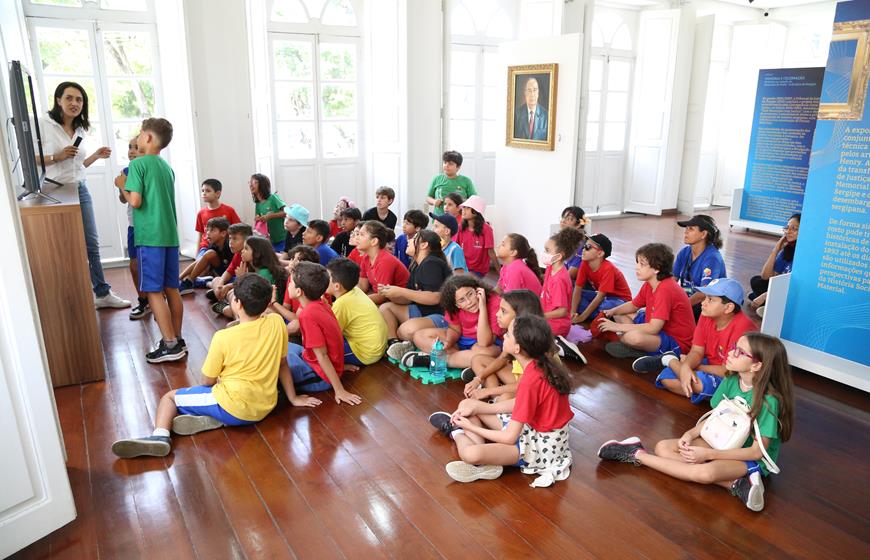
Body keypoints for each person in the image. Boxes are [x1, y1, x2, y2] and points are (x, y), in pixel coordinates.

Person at [110, 274, 321, 459]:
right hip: (266, 405)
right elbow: (282, 364)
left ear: (237, 303)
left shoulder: (223, 337)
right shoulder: (277, 323)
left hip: (236, 407)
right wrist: (293, 398)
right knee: (217, 395)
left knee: (169, 398)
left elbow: (207, 381)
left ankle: (160, 437)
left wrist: (219, 379)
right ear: (267, 303)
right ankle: (213, 419)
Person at [597, 332, 795, 512]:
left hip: (748, 458)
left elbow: (756, 452)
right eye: (734, 347)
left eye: (740, 352)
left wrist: (708, 455)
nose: (731, 353)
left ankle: (636, 454)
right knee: (663, 448)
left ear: (756, 366)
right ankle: (736, 483)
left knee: (705, 474)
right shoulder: (731, 380)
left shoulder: (768, 401)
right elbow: (716, 416)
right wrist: (690, 433)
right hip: (721, 440)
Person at [429, 315, 573, 486]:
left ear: (517, 348)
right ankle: (484, 461)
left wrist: (470, 427)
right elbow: (521, 404)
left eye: (508, 334)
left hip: (541, 448)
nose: (504, 335)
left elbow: (509, 437)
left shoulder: (531, 379)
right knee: (467, 405)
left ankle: (456, 432)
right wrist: (479, 407)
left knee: (470, 454)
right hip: (532, 431)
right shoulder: (539, 366)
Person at [40, 81, 129, 309]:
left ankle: (102, 293)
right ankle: (70, 295)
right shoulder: (44, 124)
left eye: (79, 100)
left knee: (92, 243)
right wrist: (56, 157)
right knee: (64, 246)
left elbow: (77, 166)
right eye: (69, 98)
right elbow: (31, 158)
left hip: (80, 188)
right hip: (55, 191)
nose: (74, 103)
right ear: (58, 100)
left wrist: (96, 156)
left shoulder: (80, 129)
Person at [117, 118, 185, 362]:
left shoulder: (138, 165)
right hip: (170, 236)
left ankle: (170, 345)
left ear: (147, 138)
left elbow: (135, 201)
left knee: (154, 291)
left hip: (150, 238)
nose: (137, 137)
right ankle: (177, 338)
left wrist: (122, 185)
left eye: (139, 133)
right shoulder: (166, 167)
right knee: (172, 289)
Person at [632, 278, 757, 403]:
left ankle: (671, 361)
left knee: (697, 383)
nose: (703, 303)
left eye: (710, 299)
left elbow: (728, 370)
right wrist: (687, 366)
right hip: (709, 364)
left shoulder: (743, 328)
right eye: (705, 297)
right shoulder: (706, 315)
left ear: (728, 307)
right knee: (666, 379)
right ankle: (673, 363)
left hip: (732, 374)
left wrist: (694, 368)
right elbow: (697, 350)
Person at [598, 243, 694, 360]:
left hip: (676, 341)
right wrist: (611, 312)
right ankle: (637, 346)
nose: (637, 267)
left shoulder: (665, 289)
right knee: (619, 313)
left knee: (633, 338)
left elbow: (654, 328)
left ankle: (642, 350)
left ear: (657, 268)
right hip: (658, 329)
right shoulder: (650, 283)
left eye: (642, 264)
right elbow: (634, 305)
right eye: (637, 263)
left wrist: (617, 327)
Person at [285, 261, 363, 406]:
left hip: (320, 377)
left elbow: (322, 355)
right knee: (281, 347)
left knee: (276, 363)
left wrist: (339, 390)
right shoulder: (321, 303)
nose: (288, 285)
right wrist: (339, 365)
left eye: (291, 282)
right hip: (313, 360)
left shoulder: (308, 315)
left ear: (299, 292)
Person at [400, 275, 502, 370]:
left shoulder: (495, 302)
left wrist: (483, 307)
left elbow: (484, 343)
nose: (469, 302)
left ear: (477, 290)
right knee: (419, 336)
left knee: (485, 353)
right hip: (462, 340)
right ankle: (464, 362)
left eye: (470, 294)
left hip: (485, 344)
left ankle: (438, 360)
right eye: (462, 300)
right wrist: (449, 341)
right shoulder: (452, 306)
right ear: (456, 304)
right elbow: (454, 329)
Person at [461, 289, 546, 403]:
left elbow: (524, 384)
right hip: (519, 378)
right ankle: (496, 399)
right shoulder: (514, 334)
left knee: (506, 398)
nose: (497, 314)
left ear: (520, 315)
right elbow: (502, 358)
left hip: (533, 389)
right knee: (477, 359)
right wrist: (478, 379)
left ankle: (497, 399)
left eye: (503, 311)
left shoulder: (533, 342)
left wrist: (487, 391)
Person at [380, 230, 453, 359]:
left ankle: (424, 343)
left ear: (424, 245)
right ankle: (394, 343)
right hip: (423, 311)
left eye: (413, 239)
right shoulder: (416, 265)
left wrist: (401, 291)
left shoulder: (432, 263)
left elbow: (435, 297)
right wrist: (390, 293)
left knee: (405, 330)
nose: (408, 241)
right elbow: (408, 299)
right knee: (386, 308)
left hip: (442, 316)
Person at [326, 258, 389, 367]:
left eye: (327, 278)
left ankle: (338, 367)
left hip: (366, 353)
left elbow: (330, 334)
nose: (323, 280)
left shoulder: (341, 304)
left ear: (337, 286)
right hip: (377, 346)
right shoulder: (355, 290)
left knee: (320, 352)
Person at [541, 228, 586, 361]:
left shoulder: (559, 280)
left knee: (529, 339)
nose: (544, 253)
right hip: (546, 318)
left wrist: (539, 315)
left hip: (556, 325)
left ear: (559, 256)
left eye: (547, 250)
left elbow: (562, 311)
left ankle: (560, 346)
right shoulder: (550, 267)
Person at [117, 135, 149, 320]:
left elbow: (138, 200)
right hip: (133, 226)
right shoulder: (125, 171)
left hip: (148, 226)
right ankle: (143, 301)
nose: (131, 151)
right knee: (134, 266)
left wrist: (123, 186)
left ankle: (157, 298)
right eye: (130, 147)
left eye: (136, 147)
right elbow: (124, 199)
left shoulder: (147, 170)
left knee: (150, 265)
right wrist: (122, 186)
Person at [673, 214, 727, 321]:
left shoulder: (712, 258)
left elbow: (704, 293)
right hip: (689, 300)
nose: (685, 232)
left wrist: (680, 307)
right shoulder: (684, 252)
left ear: (703, 234)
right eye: (686, 228)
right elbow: (672, 280)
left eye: (691, 229)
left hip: (709, 302)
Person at [570, 234, 633, 323]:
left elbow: (600, 297)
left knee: (605, 306)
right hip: (604, 297)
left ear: (600, 253)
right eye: (584, 246)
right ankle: (603, 315)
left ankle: (603, 314)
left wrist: (581, 318)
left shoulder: (608, 268)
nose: (583, 249)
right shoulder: (585, 263)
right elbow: (578, 288)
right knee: (570, 292)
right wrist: (572, 312)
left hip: (620, 300)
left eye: (588, 247)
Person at [749, 213, 800, 314]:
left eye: (794, 229)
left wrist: (765, 295)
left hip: (793, 292)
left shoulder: (805, 255)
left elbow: (794, 286)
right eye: (787, 227)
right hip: (781, 288)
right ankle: (768, 304)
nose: (788, 231)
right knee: (757, 281)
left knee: (759, 292)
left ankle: (768, 304)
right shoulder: (788, 249)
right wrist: (776, 249)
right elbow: (765, 276)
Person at [356, 220, 410, 305]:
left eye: (361, 234)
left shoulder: (385, 261)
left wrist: (355, 302)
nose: (357, 237)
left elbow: (382, 296)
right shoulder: (366, 257)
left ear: (374, 241)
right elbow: (363, 286)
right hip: (379, 297)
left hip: (398, 302)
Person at [178, 217, 233, 295]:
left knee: (210, 254)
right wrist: (180, 277)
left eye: (212, 230)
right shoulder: (213, 245)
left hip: (229, 276)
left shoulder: (230, 246)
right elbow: (200, 261)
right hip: (220, 273)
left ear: (223, 233)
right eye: (207, 230)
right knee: (208, 254)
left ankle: (191, 282)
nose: (208, 233)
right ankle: (184, 280)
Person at [208, 223, 252, 315]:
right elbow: (229, 271)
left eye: (235, 239)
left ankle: (227, 304)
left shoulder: (251, 257)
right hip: (236, 283)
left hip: (245, 289)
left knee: (231, 296)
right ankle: (223, 298)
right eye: (230, 238)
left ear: (247, 241)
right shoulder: (237, 254)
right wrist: (220, 284)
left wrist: (229, 286)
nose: (230, 242)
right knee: (216, 280)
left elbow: (248, 283)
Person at [192, 178, 241, 258]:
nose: (204, 193)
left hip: (226, 247)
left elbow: (238, 230)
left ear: (217, 193)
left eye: (208, 191)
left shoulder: (229, 210)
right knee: (201, 261)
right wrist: (197, 255)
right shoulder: (201, 213)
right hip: (206, 247)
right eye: (202, 190)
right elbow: (200, 235)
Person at [455, 195, 498, 277]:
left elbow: (491, 252)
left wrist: (500, 273)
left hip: (478, 270)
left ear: (476, 211)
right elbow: (456, 247)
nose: (463, 210)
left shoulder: (486, 229)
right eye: (463, 207)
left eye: (468, 208)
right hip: (463, 267)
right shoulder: (460, 227)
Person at [427, 151, 476, 215]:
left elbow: (474, 200)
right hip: (439, 218)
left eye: (450, 164)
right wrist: (434, 201)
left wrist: (461, 201)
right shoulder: (437, 179)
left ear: (458, 167)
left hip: (459, 218)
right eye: (445, 163)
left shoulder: (466, 181)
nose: (446, 166)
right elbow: (428, 197)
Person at [250, 173, 286, 251]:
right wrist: (258, 218)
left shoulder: (273, 197)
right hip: (269, 240)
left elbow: (286, 212)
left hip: (282, 238)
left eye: (255, 182)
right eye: (250, 182)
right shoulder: (258, 203)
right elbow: (258, 217)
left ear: (263, 185)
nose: (251, 185)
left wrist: (270, 216)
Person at [560, 206, 590, 281]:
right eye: (563, 217)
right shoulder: (564, 241)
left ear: (578, 224)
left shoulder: (582, 245)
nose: (563, 221)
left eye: (569, 219)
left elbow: (571, 275)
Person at [513, 76, 548, 141]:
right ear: (525, 93)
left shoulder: (546, 116)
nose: (532, 94)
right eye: (529, 90)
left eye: (534, 90)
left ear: (538, 93)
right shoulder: (516, 114)